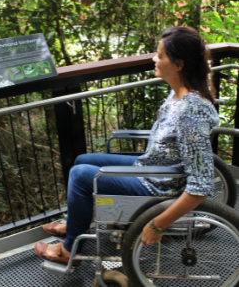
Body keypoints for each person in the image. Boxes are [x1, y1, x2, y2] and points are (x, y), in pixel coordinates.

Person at [34, 26, 218, 265]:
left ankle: (71, 250)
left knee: (80, 175)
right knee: (82, 160)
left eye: (160, 55)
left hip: (159, 187)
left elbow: (200, 185)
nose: (154, 59)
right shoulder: (179, 95)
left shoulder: (190, 111)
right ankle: (76, 223)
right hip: (152, 166)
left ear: (179, 64)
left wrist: (157, 224)